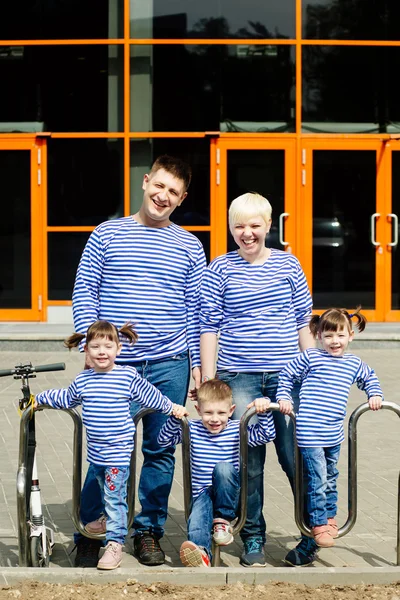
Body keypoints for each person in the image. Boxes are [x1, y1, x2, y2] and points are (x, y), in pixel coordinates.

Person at [71, 155, 207, 567]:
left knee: (161, 451)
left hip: (169, 364)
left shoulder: (189, 245)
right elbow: (84, 291)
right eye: (158, 185)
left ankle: (147, 531)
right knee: (105, 450)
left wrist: (197, 364)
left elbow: (196, 309)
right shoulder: (107, 234)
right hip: (115, 368)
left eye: (173, 192)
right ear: (146, 181)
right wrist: (91, 349)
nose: (162, 196)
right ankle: (91, 528)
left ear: (181, 199)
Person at [199, 192, 318, 567]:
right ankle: (252, 536)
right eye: (239, 226)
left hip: (286, 376)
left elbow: (303, 320)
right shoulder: (220, 268)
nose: (247, 233)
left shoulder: (288, 265)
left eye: (254, 225)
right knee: (248, 462)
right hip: (240, 376)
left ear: (269, 226)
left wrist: (312, 371)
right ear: (230, 228)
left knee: (293, 456)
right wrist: (207, 379)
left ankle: (312, 531)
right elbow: (209, 326)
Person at [34, 320, 186, 570]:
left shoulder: (127, 376)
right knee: (102, 491)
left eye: (108, 346)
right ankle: (104, 520)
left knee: (115, 497)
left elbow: (151, 396)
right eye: (95, 346)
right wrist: (39, 398)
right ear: (86, 350)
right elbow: (66, 397)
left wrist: (172, 408)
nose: (102, 351)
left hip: (117, 454)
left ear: (118, 349)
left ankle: (115, 543)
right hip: (96, 454)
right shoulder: (84, 379)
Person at [276, 306, 383, 548]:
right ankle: (318, 523)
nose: (335, 341)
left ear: (351, 336)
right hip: (309, 431)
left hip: (333, 433)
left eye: (340, 335)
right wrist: (283, 397)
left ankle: (330, 517)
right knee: (317, 477)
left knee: (331, 476)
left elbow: (370, 377)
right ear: (319, 336)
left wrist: (374, 394)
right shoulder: (311, 357)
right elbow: (287, 374)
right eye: (329, 336)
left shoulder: (354, 363)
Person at [157, 379, 276, 567]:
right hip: (202, 494)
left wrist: (263, 411)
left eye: (221, 413)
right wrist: (175, 418)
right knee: (196, 521)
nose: (215, 419)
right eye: (208, 413)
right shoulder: (192, 428)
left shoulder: (238, 428)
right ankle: (202, 554)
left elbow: (266, 435)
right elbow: (163, 441)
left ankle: (223, 521)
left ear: (231, 410)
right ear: (198, 410)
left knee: (223, 468)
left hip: (229, 495)